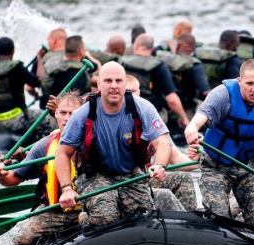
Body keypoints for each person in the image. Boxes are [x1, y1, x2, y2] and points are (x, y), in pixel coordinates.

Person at [56, 61, 172, 227]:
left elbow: (162, 141)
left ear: (125, 83)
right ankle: (86, 219)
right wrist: (67, 189)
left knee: (144, 221)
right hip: (95, 175)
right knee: (106, 219)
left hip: (130, 174)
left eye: (118, 81)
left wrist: (160, 165)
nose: (114, 86)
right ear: (98, 84)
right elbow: (63, 152)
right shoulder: (83, 114)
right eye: (108, 81)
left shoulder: (143, 108)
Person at [184, 57, 254, 230]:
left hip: (250, 166)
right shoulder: (222, 95)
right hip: (216, 164)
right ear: (239, 81)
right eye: (249, 83)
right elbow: (194, 124)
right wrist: (192, 131)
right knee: (218, 220)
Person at [0, 91, 83, 245]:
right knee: (23, 239)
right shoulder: (44, 146)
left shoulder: (95, 139)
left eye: (73, 114)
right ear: (56, 114)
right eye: (63, 113)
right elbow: (12, 179)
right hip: (55, 212)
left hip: (88, 209)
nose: (67, 118)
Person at [126, 74, 199, 211]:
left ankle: (190, 222)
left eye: (133, 92)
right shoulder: (113, 117)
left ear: (139, 93)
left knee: (184, 178)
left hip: (146, 178)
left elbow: (177, 159)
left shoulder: (149, 117)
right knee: (164, 195)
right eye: (126, 92)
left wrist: (197, 160)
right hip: (123, 181)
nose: (131, 97)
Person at [0, 37, 47, 138]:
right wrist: (39, 58)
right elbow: (37, 82)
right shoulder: (16, 67)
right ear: (13, 51)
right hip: (16, 119)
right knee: (49, 119)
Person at [120, 33, 189, 127]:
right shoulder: (159, 66)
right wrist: (184, 119)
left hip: (124, 112)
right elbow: (171, 99)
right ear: (152, 49)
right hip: (151, 115)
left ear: (135, 46)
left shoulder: (122, 62)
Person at [155, 33, 211, 120]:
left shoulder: (163, 61)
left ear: (178, 45)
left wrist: (173, 50)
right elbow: (204, 91)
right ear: (193, 48)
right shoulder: (196, 66)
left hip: (165, 111)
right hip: (187, 111)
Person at [41, 35, 95, 110]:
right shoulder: (77, 74)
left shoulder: (54, 64)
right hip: (62, 115)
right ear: (81, 51)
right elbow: (77, 105)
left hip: (46, 109)